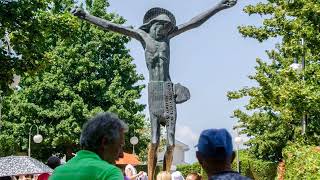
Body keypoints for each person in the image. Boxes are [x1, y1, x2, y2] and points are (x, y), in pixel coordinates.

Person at [71, 0, 237, 178]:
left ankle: (164, 175)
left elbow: (193, 23)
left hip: (167, 89)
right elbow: (112, 26)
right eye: (161, 26)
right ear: (151, 25)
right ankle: (151, 177)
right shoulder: (142, 36)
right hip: (153, 91)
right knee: (154, 140)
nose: (163, 30)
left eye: (167, 27)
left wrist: (219, 6)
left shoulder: (167, 37)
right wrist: (86, 16)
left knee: (171, 142)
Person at [50, 112, 128, 180]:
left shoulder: (58, 173)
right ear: (105, 142)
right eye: (120, 146)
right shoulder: (109, 173)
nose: (121, 154)